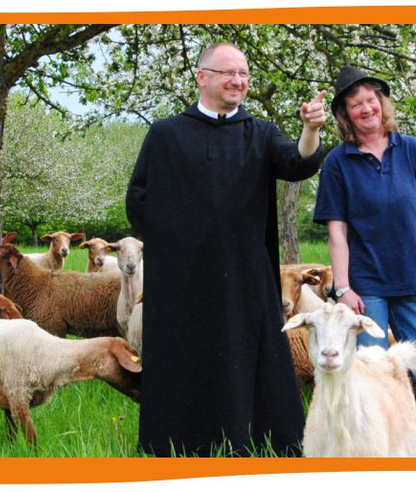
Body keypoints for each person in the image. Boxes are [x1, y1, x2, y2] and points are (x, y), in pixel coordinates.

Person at [125, 43, 328, 457]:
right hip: (183, 280)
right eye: (228, 72)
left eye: (244, 74)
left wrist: (310, 129)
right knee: (186, 360)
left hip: (243, 277)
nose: (238, 81)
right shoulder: (166, 134)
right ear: (202, 77)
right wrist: (178, 245)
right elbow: (139, 202)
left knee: (241, 359)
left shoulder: (261, 132)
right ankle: (178, 449)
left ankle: (247, 445)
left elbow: (297, 163)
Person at [312, 65, 416, 457]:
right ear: (344, 115)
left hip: (411, 284)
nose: (366, 108)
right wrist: (343, 288)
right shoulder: (338, 163)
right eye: (355, 104)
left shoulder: (413, 151)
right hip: (365, 289)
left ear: (382, 103)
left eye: (371, 100)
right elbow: (336, 232)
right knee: (369, 377)